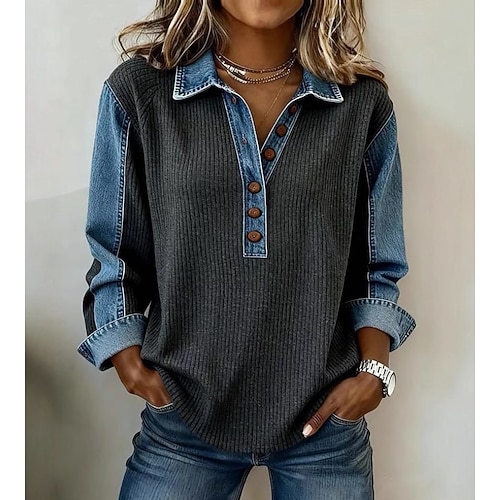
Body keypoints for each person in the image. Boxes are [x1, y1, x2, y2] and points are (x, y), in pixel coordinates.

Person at [77, 0, 416, 498]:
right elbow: (115, 249)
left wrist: (374, 372)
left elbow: (375, 263)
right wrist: (128, 361)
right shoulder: (141, 93)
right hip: (183, 421)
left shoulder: (360, 103)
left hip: (326, 425)